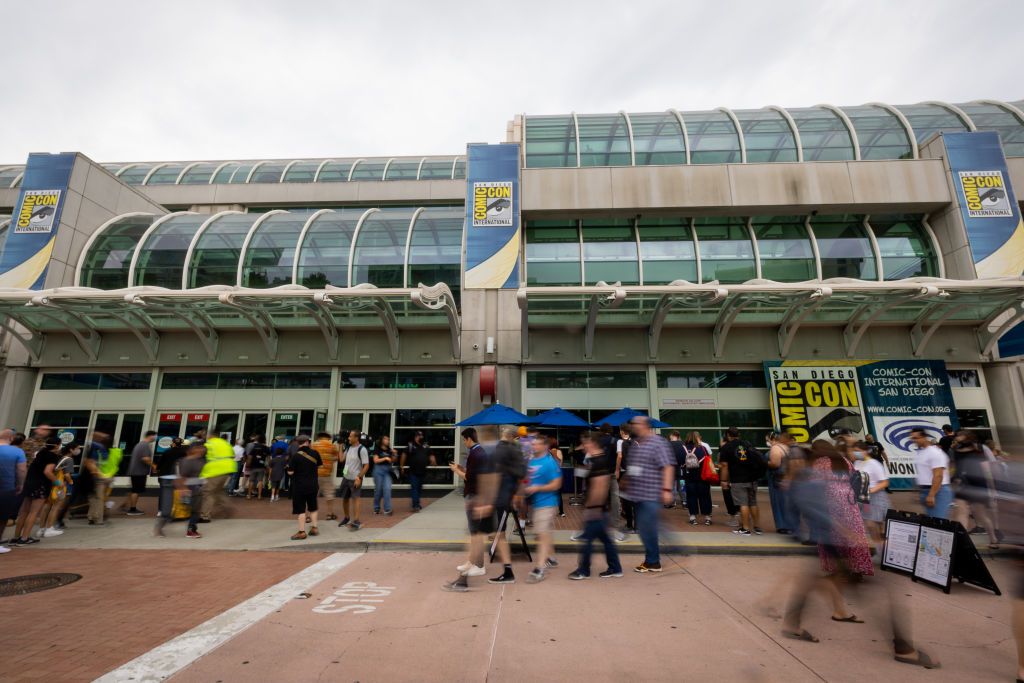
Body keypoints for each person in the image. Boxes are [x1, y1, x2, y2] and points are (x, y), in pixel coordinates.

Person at [445, 427, 497, 592]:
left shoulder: (476, 453)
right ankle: (472, 564)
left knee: (475, 533)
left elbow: (469, 478)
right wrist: (461, 467)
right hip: (479, 497)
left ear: (468, 439)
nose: (463, 442)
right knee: (475, 533)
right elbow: (473, 474)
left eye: (463, 440)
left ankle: (476, 565)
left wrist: (456, 471)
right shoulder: (480, 452)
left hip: (475, 497)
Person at [622, 416, 675, 573]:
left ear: (644, 425)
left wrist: (666, 490)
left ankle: (669, 554)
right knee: (648, 529)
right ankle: (653, 561)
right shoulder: (637, 444)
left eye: (636, 424)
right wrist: (625, 480)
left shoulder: (658, 443)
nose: (633, 426)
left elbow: (667, 466)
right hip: (637, 494)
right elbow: (634, 467)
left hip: (652, 494)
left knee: (649, 528)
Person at [568, 432, 622, 580]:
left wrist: (592, 508)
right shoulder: (598, 460)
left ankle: (583, 570)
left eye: (585, 443)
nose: (583, 447)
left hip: (596, 510)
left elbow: (600, 486)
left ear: (592, 444)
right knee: (606, 541)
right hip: (600, 510)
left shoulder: (598, 462)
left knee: (587, 541)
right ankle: (615, 568)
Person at [488, 428, 527, 585]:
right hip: (507, 496)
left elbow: (495, 473)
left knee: (501, 535)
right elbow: (522, 475)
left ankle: (508, 572)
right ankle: (507, 570)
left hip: (502, 497)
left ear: (507, 435)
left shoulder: (502, 448)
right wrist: (516, 494)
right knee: (500, 534)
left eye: (503, 430)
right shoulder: (517, 451)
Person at [950, 430, 1001, 547]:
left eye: (960, 435)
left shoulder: (979, 450)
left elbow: (986, 470)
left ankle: (993, 538)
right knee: (961, 513)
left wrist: (992, 489)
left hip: (977, 484)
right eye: (957, 435)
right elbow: (955, 467)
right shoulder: (956, 450)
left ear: (968, 437)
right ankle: (961, 542)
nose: (957, 437)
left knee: (981, 515)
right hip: (962, 484)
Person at [523, 434, 562, 583]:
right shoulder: (532, 461)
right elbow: (528, 479)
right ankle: (550, 558)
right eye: (533, 444)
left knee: (542, 534)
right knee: (541, 535)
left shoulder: (550, 463)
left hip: (548, 503)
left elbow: (557, 484)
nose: (534, 446)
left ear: (545, 446)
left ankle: (539, 568)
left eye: (538, 444)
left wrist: (538, 487)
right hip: (536, 504)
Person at [11, 438, 61, 545]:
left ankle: (16, 537)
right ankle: (24, 538)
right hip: (41, 485)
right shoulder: (52, 456)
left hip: (29, 483)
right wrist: (57, 482)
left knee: (24, 511)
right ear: (57, 445)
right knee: (33, 512)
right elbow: (47, 472)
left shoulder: (40, 453)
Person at [718, 427, 766, 536]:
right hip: (752, 477)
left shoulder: (726, 447)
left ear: (728, 435)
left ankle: (745, 528)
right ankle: (757, 527)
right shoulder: (747, 443)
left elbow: (724, 465)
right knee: (753, 502)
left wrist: (724, 480)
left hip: (738, 479)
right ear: (739, 434)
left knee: (743, 504)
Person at [851, 440, 890, 547]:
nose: (855, 453)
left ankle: (881, 549)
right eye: (854, 451)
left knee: (872, 524)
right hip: (864, 498)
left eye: (857, 451)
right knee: (870, 524)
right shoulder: (857, 463)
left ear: (865, 451)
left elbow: (885, 482)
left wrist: (870, 490)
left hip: (876, 497)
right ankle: (880, 548)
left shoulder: (874, 463)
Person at [911, 428, 952, 519]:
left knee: (937, 523)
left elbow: (938, 475)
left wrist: (931, 495)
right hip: (926, 490)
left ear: (924, 437)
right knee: (931, 522)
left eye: (916, 438)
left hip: (938, 491)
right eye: (912, 438)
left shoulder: (935, 453)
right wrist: (919, 492)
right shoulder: (921, 453)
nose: (914, 440)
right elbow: (921, 474)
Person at [38, 443, 78, 537]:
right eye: (77, 448)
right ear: (71, 450)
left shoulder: (58, 457)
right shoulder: (69, 460)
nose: (78, 450)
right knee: (56, 507)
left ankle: (41, 529)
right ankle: (49, 528)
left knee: (47, 506)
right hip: (60, 485)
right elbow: (67, 475)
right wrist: (71, 482)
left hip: (51, 484)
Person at [287, 435, 322, 540]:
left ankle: (302, 532)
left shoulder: (295, 456)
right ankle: (315, 528)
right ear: (307, 442)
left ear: (299, 443)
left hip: (299, 485)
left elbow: (290, 472)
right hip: (313, 484)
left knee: (301, 509)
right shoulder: (315, 453)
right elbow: (319, 465)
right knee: (313, 506)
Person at [199, 434, 236, 522]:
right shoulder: (226, 444)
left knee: (208, 492)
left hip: (215, 471)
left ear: (211, 435)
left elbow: (200, 454)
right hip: (227, 470)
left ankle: (205, 516)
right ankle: (226, 509)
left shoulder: (210, 443)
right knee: (218, 492)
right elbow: (233, 456)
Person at [0, 429, 27, 551]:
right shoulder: (17, 451)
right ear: (11, 438)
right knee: (2, 517)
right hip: (6, 487)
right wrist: (20, 485)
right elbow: (21, 470)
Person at [154, 438, 186, 537]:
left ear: (173, 443)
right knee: (175, 496)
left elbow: (159, 464)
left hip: (165, 476)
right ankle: (175, 512)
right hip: (177, 477)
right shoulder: (184, 453)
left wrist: (158, 470)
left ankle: (161, 510)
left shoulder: (167, 451)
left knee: (163, 494)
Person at [338, 430, 369, 531]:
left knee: (356, 499)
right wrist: (340, 446)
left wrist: (359, 477)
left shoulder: (362, 449)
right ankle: (347, 518)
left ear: (356, 438)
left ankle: (356, 521)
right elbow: (342, 459)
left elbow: (366, 466)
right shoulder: (349, 448)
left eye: (351, 436)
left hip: (355, 478)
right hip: (346, 477)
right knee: (345, 498)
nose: (349, 438)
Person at [681, 431, 712, 525]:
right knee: (705, 496)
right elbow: (708, 459)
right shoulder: (702, 448)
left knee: (691, 496)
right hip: (702, 475)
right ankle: (707, 517)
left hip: (689, 476)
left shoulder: (683, 449)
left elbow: (680, 462)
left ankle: (693, 517)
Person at [124, 431, 157, 516]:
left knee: (134, 489)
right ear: (151, 436)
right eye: (155, 436)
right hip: (139, 472)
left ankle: (125, 506)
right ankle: (132, 509)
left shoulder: (140, 444)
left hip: (135, 471)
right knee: (136, 490)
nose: (156, 438)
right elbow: (145, 458)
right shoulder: (145, 445)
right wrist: (153, 466)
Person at [83, 431, 112, 526]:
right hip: (97, 475)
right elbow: (95, 462)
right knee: (99, 497)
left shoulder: (88, 446)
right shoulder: (100, 448)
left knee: (92, 497)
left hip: (89, 476)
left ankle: (91, 516)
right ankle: (98, 518)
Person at [766, 431, 793, 534]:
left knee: (778, 502)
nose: (767, 442)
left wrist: (764, 462)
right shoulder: (786, 447)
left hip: (776, 478)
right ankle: (790, 525)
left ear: (772, 439)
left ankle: (782, 526)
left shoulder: (775, 448)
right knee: (786, 502)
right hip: (786, 478)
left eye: (768, 439)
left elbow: (775, 464)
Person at [178, 443, 206, 539]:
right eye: (200, 448)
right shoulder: (188, 461)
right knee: (193, 510)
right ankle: (190, 530)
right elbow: (183, 476)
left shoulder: (199, 460)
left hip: (196, 487)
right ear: (194, 449)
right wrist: (184, 489)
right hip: (190, 489)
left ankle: (192, 529)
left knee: (195, 510)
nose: (203, 450)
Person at [402, 430, 435, 512]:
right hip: (413, 471)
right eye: (418, 436)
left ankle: (416, 503)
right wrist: (401, 466)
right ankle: (416, 505)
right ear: (415, 437)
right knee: (414, 488)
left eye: (421, 436)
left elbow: (431, 454)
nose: (420, 437)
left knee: (419, 488)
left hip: (422, 471)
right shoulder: (411, 445)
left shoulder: (425, 445)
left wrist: (433, 461)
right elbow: (404, 454)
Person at [311, 433, 339, 519]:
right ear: (328, 437)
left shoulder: (314, 445)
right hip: (327, 473)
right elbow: (337, 457)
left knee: (312, 495)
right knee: (329, 494)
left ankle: (309, 515)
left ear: (319, 437)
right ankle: (329, 514)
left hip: (315, 473)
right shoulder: (332, 445)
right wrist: (330, 459)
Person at [617, 424, 637, 534]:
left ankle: (629, 524)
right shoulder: (635, 442)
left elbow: (619, 456)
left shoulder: (620, 442)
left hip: (625, 473)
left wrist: (616, 469)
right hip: (636, 473)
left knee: (626, 500)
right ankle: (637, 526)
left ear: (622, 431)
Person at [372, 435, 396, 516]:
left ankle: (387, 509)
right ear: (382, 440)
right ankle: (376, 508)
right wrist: (385, 458)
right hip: (378, 470)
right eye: (386, 439)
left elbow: (392, 461)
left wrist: (394, 455)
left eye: (388, 439)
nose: (387, 441)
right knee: (378, 490)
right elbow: (375, 460)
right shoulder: (377, 449)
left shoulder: (389, 450)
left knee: (387, 488)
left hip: (387, 470)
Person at [547, 435, 567, 517]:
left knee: (556, 494)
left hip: (554, 474)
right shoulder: (547, 452)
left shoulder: (556, 451)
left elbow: (559, 463)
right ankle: (558, 512)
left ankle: (560, 511)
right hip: (553, 474)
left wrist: (553, 454)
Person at [245, 435, 270, 500]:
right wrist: (268, 467)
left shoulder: (254, 447)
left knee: (251, 480)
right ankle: (259, 496)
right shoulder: (266, 448)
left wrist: (248, 465)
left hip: (253, 466)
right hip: (261, 467)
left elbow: (250, 457)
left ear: (258, 440)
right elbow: (268, 458)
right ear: (264, 440)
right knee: (260, 481)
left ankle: (249, 495)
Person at [667, 431, 687, 509]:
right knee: (682, 485)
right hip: (681, 468)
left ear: (672, 435)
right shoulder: (683, 444)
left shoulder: (668, 444)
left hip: (671, 468)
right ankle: (684, 502)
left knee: (672, 486)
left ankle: (672, 502)